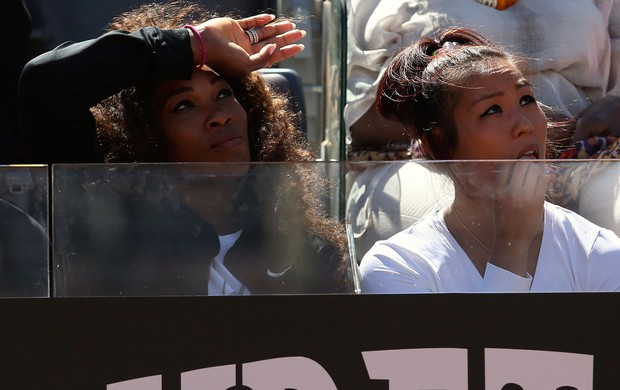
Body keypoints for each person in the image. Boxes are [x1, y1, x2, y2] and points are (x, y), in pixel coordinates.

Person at [19, 1, 350, 296]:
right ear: (146, 136)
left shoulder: (306, 251)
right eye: (184, 106)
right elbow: (47, 86)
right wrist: (196, 44)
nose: (218, 117)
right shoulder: (112, 241)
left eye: (223, 95)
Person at [345, 0, 620, 260]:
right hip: (436, 162)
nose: (525, 122)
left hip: (584, 156)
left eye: (527, 100)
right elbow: (364, 122)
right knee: (463, 232)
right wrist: (484, 128)